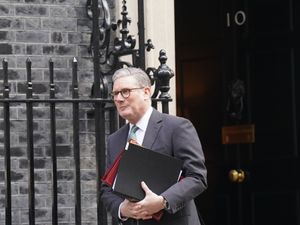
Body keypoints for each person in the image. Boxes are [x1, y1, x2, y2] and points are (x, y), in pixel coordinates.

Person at [100, 67, 207, 225]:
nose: (119, 99)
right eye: (115, 93)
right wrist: (122, 209)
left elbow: (197, 177)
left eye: (125, 91)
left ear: (146, 92)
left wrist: (162, 201)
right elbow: (106, 190)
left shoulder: (176, 127)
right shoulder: (114, 139)